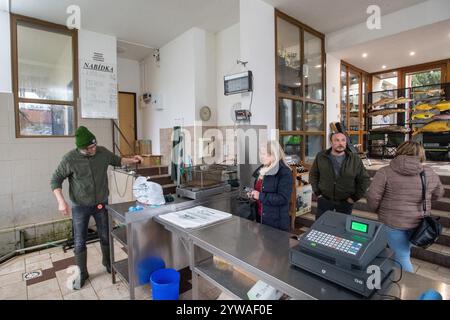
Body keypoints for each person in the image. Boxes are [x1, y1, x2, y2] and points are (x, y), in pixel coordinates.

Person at [50, 126, 143, 289]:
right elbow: (55, 180)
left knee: (106, 235)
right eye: (90, 148)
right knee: (79, 241)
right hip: (80, 206)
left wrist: (132, 160)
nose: (94, 149)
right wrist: (61, 201)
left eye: (94, 145)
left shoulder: (102, 152)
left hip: (101, 203)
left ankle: (108, 263)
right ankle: (82, 273)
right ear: (81, 148)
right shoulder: (69, 159)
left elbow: (118, 160)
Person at [367, 141, 444, 272]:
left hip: (393, 223)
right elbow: (439, 193)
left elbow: (373, 197)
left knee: (402, 256)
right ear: (421, 154)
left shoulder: (385, 172)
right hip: (419, 223)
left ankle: (409, 287)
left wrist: (380, 212)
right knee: (403, 253)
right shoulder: (429, 172)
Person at [309, 132, 370, 219]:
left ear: (346, 142)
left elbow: (364, 179)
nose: (340, 143)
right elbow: (313, 174)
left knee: (341, 228)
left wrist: (354, 197)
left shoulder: (355, 159)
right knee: (321, 225)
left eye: (343, 140)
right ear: (331, 142)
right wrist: (317, 192)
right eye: (337, 140)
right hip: (325, 199)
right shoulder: (321, 156)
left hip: (345, 201)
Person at [248, 141, 293, 231]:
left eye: (264, 154)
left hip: (275, 222)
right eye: (260, 153)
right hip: (260, 218)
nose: (261, 156)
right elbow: (260, 190)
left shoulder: (284, 172)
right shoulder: (262, 169)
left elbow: (283, 198)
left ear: (273, 155)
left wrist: (259, 196)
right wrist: (253, 195)